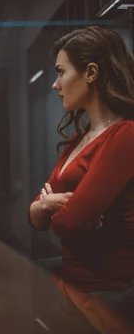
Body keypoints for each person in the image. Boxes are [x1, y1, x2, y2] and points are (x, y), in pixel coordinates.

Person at [28, 26, 134, 292]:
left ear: (91, 73)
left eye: (61, 72)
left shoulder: (125, 135)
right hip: (74, 280)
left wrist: (51, 206)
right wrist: (49, 206)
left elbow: (70, 223)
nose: (55, 84)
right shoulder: (79, 140)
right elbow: (35, 217)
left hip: (106, 290)